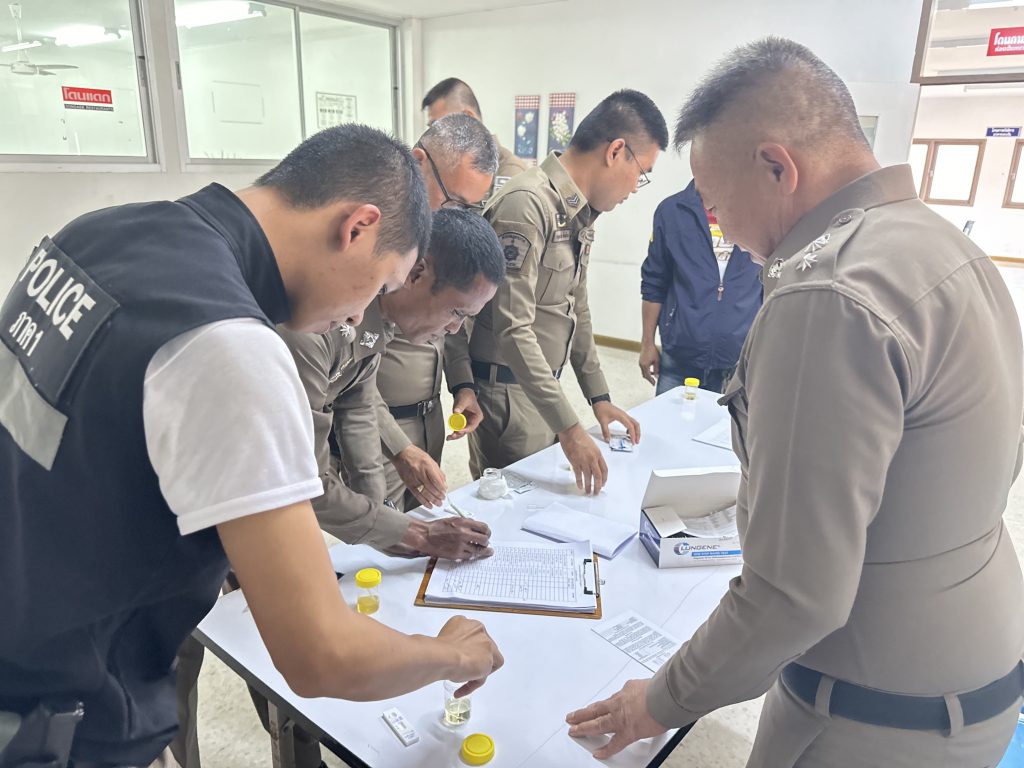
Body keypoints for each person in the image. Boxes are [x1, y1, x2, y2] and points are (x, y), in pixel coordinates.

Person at [565, 38, 1024, 767]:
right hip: (971, 672)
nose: (719, 225)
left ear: (777, 167)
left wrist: (658, 701)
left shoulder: (826, 296)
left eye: (718, 203)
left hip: (872, 713)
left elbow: (792, 597)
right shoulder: (945, 247)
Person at [0, 125, 503, 768]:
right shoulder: (229, 344)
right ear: (357, 227)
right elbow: (322, 655)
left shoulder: (97, 232)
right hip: (62, 716)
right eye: (381, 285)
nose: (360, 317)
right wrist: (454, 653)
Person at [468, 89, 668, 495]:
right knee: (514, 513)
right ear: (616, 151)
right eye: (641, 172)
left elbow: (577, 308)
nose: (635, 187)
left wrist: (598, 396)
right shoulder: (527, 205)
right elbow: (513, 329)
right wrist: (570, 427)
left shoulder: (576, 211)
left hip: (541, 391)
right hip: (510, 397)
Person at [284, 207, 504, 557]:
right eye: (456, 312)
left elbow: (358, 414)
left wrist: (385, 529)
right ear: (417, 273)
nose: (453, 330)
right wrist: (414, 534)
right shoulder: (318, 323)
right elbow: (306, 478)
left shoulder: (378, 320)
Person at [639, 180, 762, 395]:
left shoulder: (762, 213)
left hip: (740, 360)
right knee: (670, 417)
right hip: (680, 354)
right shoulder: (672, 211)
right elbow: (654, 282)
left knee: (728, 419)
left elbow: (773, 283)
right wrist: (647, 343)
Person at [422, 76, 528, 193]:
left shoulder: (510, 172)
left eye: (440, 125)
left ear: (468, 117)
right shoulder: (446, 168)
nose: (435, 135)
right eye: (432, 128)